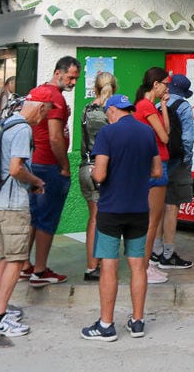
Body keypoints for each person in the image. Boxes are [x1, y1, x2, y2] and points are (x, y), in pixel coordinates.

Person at [80, 94, 161, 342]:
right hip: (139, 209)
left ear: (114, 110)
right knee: (138, 266)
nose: (107, 117)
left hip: (112, 209)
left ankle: (106, 325)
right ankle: (137, 322)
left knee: (109, 266)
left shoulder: (107, 134)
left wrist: (94, 171)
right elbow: (157, 171)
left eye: (108, 113)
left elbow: (101, 175)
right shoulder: (147, 132)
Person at [0, 95, 51, 338]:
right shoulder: (22, 129)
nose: (43, 120)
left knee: (5, 258)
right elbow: (16, 168)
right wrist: (36, 181)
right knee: (16, 261)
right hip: (13, 206)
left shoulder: (7, 122)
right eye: (45, 114)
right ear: (40, 108)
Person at [23, 56, 80, 287]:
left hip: (35, 162)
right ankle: (40, 270)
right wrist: (65, 167)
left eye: (76, 78)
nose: (73, 82)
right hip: (49, 165)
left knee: (35, 218)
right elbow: (56, 137)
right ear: (58, 73)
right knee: (47, 219)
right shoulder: (54, 97)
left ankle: (25, 265)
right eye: (70, 77)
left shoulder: (35, 92)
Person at [151, 73, 194, 273]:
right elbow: (187, 138)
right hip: (177, 160)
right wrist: (187, 159)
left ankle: (155, 250)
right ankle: (168, 255)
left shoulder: (157, 104)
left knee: (157, 206)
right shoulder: (184, 106)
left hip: (158, 160)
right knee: (171, 207)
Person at [132, 68, 171, 285]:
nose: (167, 88)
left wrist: (163, 105)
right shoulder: (146, 106)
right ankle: (144, 266)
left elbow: (165, 129)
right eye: (165, 83)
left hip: (150, 164)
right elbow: (165, 137)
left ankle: (144, 264)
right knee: (152, 221)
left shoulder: (148, 105)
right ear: (155, 84)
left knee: (150, 220)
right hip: (156, 165)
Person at [79, 71, 114, 282]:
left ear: (95, 88)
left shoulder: (86, 110)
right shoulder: (111, 112)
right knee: (103, 219)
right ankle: (98, 263)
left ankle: (92, 264)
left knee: (93, 218)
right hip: (102, 169)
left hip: (85, 167)